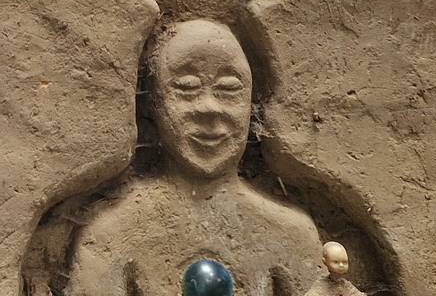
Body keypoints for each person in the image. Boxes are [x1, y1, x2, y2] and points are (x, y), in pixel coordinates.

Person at [67, 20, 321, 296]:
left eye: (228, 88)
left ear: (252, 103)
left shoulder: (291, 236)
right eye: (187, 88)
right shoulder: (112, 236)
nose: (209, 108)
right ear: (152, 103)